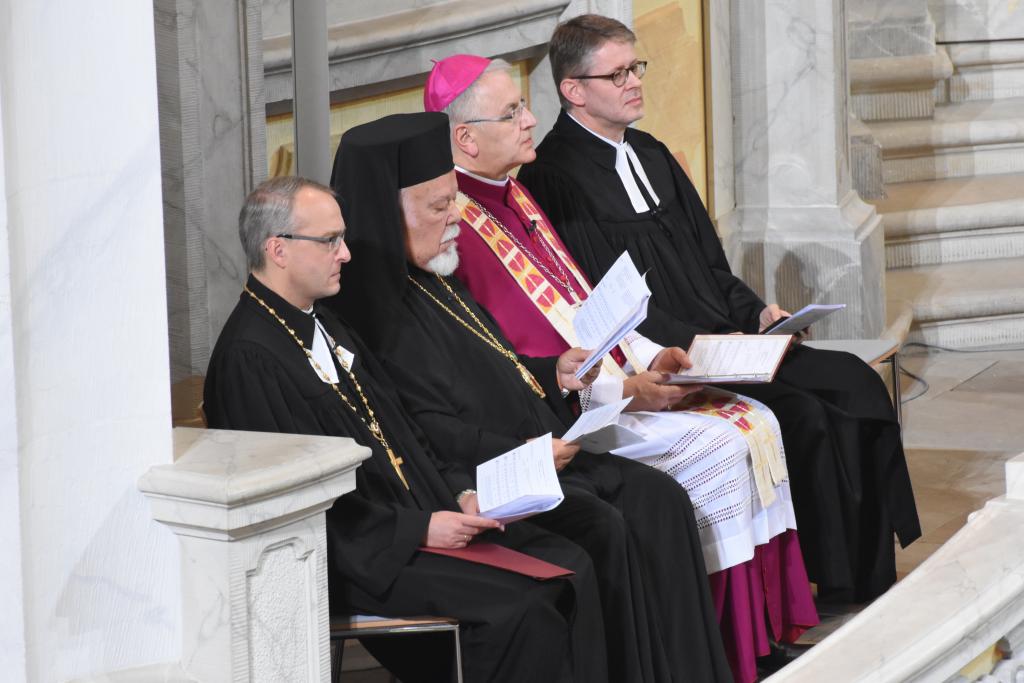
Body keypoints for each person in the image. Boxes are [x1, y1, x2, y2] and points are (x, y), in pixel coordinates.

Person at [424, 54, 818, 683]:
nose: (531, 121)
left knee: (756, 423)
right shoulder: (455, 227)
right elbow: (518, 359)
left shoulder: (515, 194)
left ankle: (757, 638)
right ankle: (722, 646)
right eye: (513, 112)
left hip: (611, 382)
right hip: (563, 414)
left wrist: (645, 358)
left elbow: (582, 307)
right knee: (721, 447)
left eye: (524, 106)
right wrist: (625, 389)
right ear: (465, 138)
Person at [517, 13, 922, 603]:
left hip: (729, 335)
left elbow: (710, 263)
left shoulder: (650, 154)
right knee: (803, 413)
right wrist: (703, 346)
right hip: (675, 354)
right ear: (573, 90)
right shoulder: (555, 177)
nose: (635, 82)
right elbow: (607, 300)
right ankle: (830, 578)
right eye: (618, 73)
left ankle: (869, 571)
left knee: (855, 382)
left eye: (637, 68)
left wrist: (757, 315)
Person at [325, 111, 733, 683]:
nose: (455, 221)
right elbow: (421, 427)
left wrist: (550, 373)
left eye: (455, 202)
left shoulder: (435, 273)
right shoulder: (366, 311)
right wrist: (526, 448)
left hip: (532, 449)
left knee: (660, 499)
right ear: (385, 213)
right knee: (604, 525)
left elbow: (490, 367)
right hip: (481, 474)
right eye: (439, 207)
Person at [203, 176, 610, 683]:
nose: (346, 254)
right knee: (524, 607)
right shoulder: (250, 359)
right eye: (330, 240)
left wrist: (458, 492)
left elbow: (401, 429)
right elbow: (292, 509)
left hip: (415, 518)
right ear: (278, 249)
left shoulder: (324, 321)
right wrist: (421, 528)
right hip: (359, 554)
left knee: (573, 562)